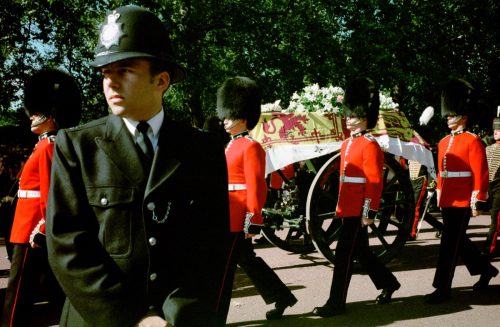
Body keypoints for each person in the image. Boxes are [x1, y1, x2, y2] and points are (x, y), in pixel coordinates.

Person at [45, 6, 232, 327]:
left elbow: (210, 246)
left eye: (125, 70)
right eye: (106, 73)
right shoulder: (77, 146)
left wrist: (176, 313)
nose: (111, 82)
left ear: (161, 80)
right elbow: (67, 245)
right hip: (98, 318)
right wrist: (133, 318)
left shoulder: (203, 150)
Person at [312, 77, 401, 318]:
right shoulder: (347, 145)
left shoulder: (370, 145)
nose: (348, 118)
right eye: (348, 114)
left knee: (343, 256)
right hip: (346, 207)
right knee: (360, 252)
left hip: (358, 211)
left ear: (364, 117)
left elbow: (374, 182)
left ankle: (336, 302)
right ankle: (388, 283)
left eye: (353, 115)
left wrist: (369, 212)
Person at [1, 67, 82, 327]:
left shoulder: (49, 145)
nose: (32, 115)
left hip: (32, 231)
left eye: (38, 110)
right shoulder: (43, 143)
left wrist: (43, 229)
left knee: (17, 299)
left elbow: (51, 194)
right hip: (24, 228)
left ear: (52, 113)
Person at [215, 76, 297, 322]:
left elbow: (256, 186)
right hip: (227, 213)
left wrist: (253, 219)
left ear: (242, 116)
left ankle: (216, 315)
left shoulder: (251, 147)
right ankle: (281, 296)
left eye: (229, 114)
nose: (224, 118)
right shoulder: (230, 145)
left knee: (227, 268)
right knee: (245, 260)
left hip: (239, 216)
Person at [425, 78, 498, 304]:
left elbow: (480, 173)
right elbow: (441, 172)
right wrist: (438, 191)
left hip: (464, 199)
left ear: (463, 116)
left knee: (448, 245)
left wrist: (477, 201)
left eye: (452, 115)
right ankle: (485, 270)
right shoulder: (443, 141)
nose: (448, 118)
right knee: (458, 241)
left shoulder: (473, 141)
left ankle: (442, 288)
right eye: (447, 115)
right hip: (447, 196)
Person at [482, 117, 500, 257]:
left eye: (499, 130)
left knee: (496, 219)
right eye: (495, 129)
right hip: (490, 187)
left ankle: (489, 248)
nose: (496, 132)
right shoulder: (488, 148)